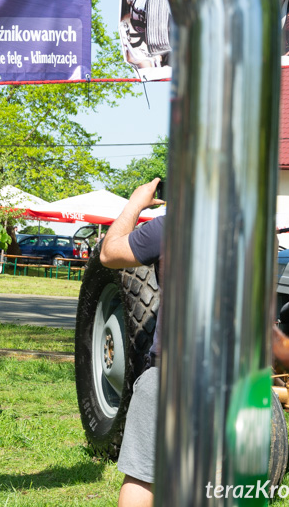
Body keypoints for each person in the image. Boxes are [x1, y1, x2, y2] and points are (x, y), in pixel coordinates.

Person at [99, 178, 165, 507]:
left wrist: (136, 203)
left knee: (142, 477)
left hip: (171, 374)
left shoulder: (171, 228)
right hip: (233, 380)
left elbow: (109, 253)